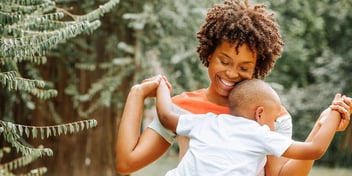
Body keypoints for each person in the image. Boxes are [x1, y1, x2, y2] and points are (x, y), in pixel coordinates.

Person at [116, 0, 352, 175]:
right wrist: (137, 94)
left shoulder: (272, 115)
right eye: (224, 61)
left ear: (257, 68)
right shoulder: (182, 108)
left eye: (244, 67)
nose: (231, 73)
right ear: (209, 55)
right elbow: (127, 163)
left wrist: (320, 125)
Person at [155, 78, 348, 176]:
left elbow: (165, 116)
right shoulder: (260, 134)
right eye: (273, 119)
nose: (273, 126)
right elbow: (314, 149)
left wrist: (162, 86)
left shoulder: (206, 120)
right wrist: (334, 113)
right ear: (260, 113)